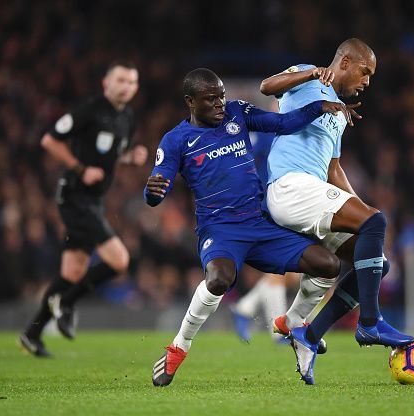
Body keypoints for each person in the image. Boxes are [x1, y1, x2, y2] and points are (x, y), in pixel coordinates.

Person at [145, 68, 359, 387]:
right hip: (220, 229)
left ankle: (296, 324)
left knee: (328, 265)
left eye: (221, 96)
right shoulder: (176, 140)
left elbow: (283, 123)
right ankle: (179, 347)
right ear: (190, 102)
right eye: (211, 99)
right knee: (219, 278)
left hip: (258, 223)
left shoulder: (237, 113)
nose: (220, 104)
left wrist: (319, 107)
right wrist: (153, 191)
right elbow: (155, 189)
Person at [260, 38, 414, 384]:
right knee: (374, 223)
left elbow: (333, 170)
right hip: (289, 186)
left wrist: (362, 210)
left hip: (312, 192)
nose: (367, 82)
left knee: (375, 262)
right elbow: (267, 86)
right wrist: (310, 74)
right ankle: (370, 324)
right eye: (365, 72)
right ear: (345, 62)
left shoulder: (340, 113)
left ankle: (308, 336)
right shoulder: (307, 77)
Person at [20, 61, 148, 357]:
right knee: (119, 260)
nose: (125, 86)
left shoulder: (127, 118)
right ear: (106, 83)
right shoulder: (89, 110)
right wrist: (80, 169)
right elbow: (49, 140)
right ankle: (65, 302)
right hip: (75, 196)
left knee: (72, 272)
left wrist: (129, 158)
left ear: (136, 88)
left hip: (93, 201)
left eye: (131, 82)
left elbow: (110, 156)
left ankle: (32, 334)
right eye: (120, 80)